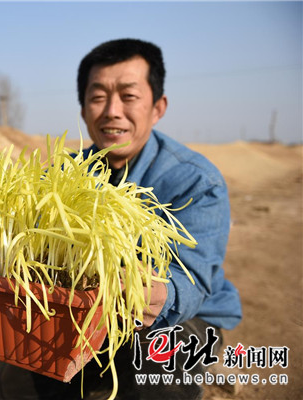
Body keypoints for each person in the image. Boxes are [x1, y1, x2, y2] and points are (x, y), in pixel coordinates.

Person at [30, 38, 243, 399]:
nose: (112, 110)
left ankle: (204, 359)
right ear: (83, 109)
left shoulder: (194, 180)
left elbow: (192, 275)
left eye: (128, 96)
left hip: (183, 316)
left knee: (155, 355)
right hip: (89, 310)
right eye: (98, 97)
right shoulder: (60, 176)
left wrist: (161, 292)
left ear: (158, 107)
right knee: (45, 347)